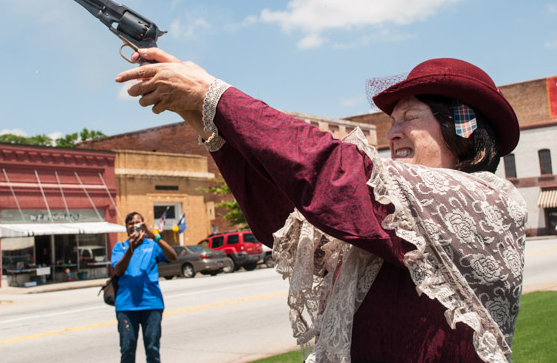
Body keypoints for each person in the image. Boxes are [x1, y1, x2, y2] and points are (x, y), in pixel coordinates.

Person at [116, 49, 526, 363]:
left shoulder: (488, 200)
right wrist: (203, 118)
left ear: (462, 128)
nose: (394, 133)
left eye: (409, 118)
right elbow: (281, 220)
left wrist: (212, 94)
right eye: (391, 123)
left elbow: (333, 173)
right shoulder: (390, 213)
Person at [111, 211, 177, 363]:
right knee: (127, 350)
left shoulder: (152, 245)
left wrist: (154, 235)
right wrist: (131, 249)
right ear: (126, 228)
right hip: (126, 306)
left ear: (144, 225)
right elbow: (118, 270)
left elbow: (172, 256)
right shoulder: (120, 247)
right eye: (131, 223)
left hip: (151, 303)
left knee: (152, 349)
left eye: (138, 223)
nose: (134, 226)